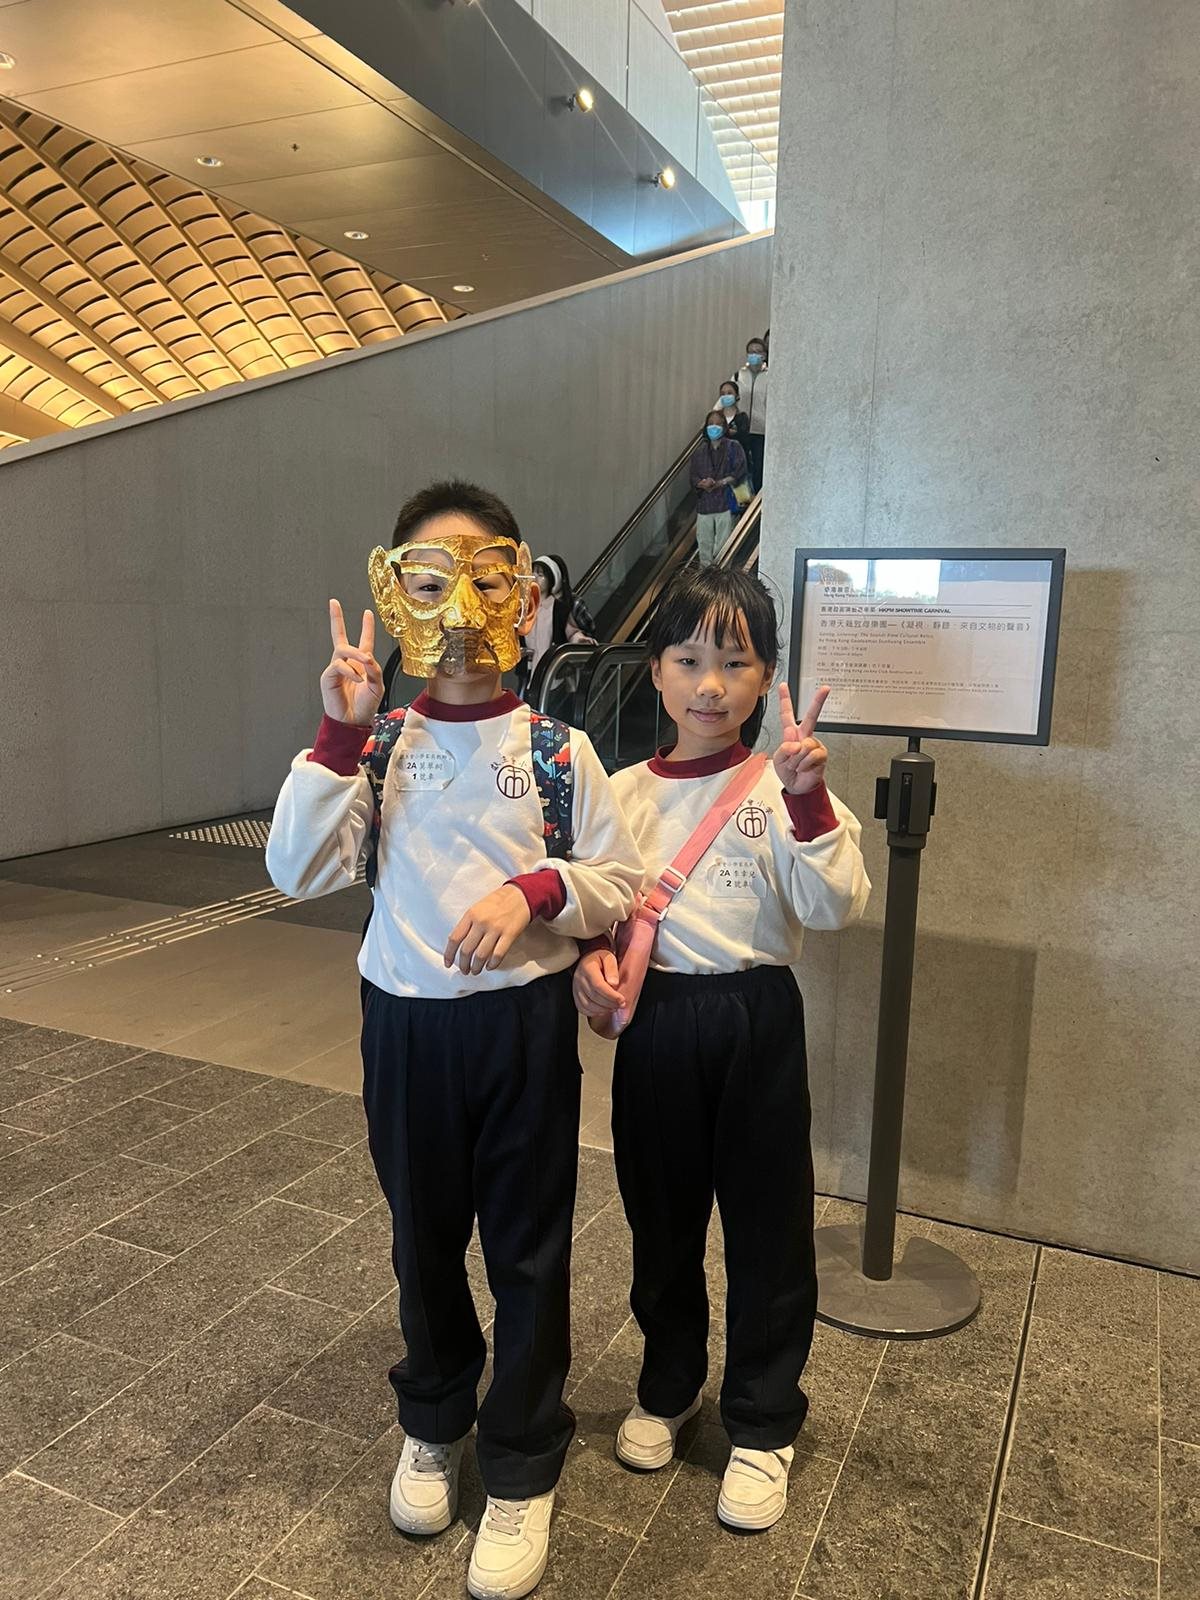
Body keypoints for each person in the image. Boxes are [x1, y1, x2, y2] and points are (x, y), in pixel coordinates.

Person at [266, 481, 642, 1600]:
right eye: (431, 582)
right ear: (399, 594)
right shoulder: (381, 744)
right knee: (422, 1239)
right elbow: (297, 869)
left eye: (485, 580)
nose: (462, 609)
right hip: (405, 1024)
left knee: (528, 1247)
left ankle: (521, 1459)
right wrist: (338, 730)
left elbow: (617, 880)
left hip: (521, 1029)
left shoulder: (560, 749)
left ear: (523, 596)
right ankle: (434, 1419)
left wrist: (535, 891)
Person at [573, 565, 869, 1534]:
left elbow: (835, 904)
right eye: (689, 658)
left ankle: (763, 1420)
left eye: (735, 663)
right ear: (655, 671)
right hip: (660, 1026)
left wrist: (810, 801)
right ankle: (668, 1384)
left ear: (768, 677)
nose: (710, 684)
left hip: (756, 1017)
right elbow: (595, 906)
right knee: (660, 1220)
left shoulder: (785, 787)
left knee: (767, 1227)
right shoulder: (619, 792)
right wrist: (589, 964)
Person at [516, 553, 597, 701]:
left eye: (541, 575)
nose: (535, 577)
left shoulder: (559, 609)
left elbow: (571, 631)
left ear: (551, 580)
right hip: (528, 671)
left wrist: (580, 640)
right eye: (533, 572)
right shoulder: (525, 606)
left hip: (553, 674)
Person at [690, 411, 748, 566]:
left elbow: (739, 471)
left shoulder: (734, 447)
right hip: (705, 505)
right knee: (704, 544)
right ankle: (705, 576)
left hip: (726, 503)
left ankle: (722, 576)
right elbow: (693, 476)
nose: (714, 427)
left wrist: (719, 483)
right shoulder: (699, 452)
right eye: (710, 424)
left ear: (724, 427)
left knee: (724, 545)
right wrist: (701, 483)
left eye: (718, 424)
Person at [732, 337, 768, 494]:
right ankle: (742, 501)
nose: (754, 354)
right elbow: (728, 397)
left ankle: (759, 501)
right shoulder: (738, 376)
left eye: (758, 351)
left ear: (764, 355)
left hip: (761, 430)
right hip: (741, 430)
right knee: (740, 466)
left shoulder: (771, 376)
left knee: (759, 467)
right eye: (751, 352)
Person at [716, 379, 750, 451]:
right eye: (723, 394)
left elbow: (743, 439)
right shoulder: (715, 416)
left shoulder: (742, 417)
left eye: (729, 393)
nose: (726, 396)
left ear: (737, 396)